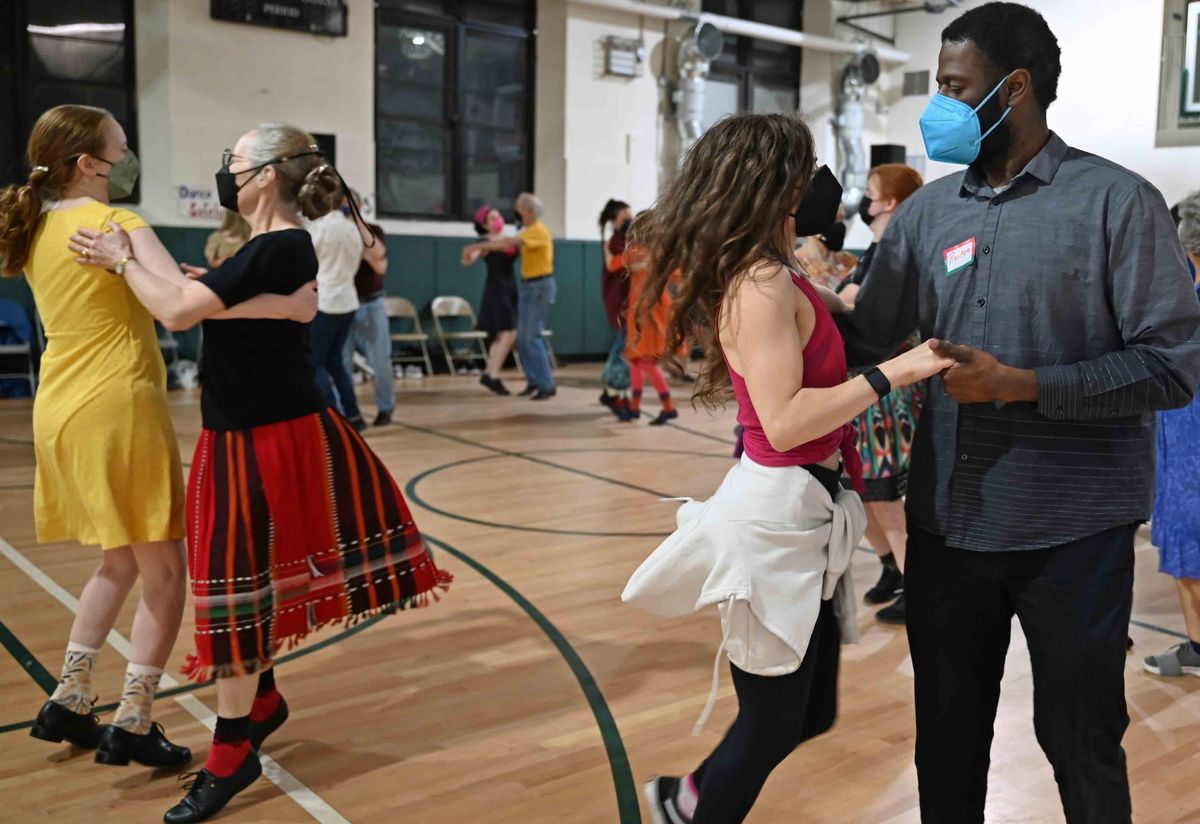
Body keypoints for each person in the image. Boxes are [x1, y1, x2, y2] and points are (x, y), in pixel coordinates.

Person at [835, 5, 1200, 822]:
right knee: (948, 745)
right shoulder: (929, 213)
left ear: (1017, 88)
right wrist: (774, 284)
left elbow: (1173, 368)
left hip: (1075, 534)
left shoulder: (1118, 203)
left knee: (1080, 741)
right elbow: (866, 337)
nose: (939, 106)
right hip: (947, 525)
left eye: (953, 88)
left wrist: (1024, 385)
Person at [71, 123, 452, 824]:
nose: (227, 172)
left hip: (267, 439)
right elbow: (255, 304)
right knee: (246, 585)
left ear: (268, 175)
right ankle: (264, 699)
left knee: (232, 594)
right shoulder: (267, 251)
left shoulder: (282, 243)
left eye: (235, 163)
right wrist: (247, 299)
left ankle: (232, 752)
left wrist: (125, 258)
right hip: (243, 436)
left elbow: (181, 314)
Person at [622, 113, 953, 824]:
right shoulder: (760, 284)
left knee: (809, 713)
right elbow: (786, 420)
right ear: (773, 182)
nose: (818, 184)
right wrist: (897, 372)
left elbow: (854, 315)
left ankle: (686, 798)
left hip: (810, 511)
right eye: (805, 170)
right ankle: (694, 809)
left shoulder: (785, 274)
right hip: (772, 518)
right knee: (774, 719)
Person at [0, 105, 314, 771]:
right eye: (122, 148)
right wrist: (291, 305)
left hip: (58, 403)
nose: (130, 156)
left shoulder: (37, 228)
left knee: (119, 562)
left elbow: (177, 291)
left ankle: (71, 694)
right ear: (90, 164)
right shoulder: (120, 224)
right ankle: (135, 717)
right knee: (166, 572)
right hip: (118, 402)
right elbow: (177, 309)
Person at [836, 163, 925, 625]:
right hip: (867, 383)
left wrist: (843, 294)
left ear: (889, 201)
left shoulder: (901, 247)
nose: (864, 203)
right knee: (863, 488)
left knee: (885, 493)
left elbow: (866, 307)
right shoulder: (879, 246)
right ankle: (891, 565)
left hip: (887, 387)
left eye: (871, 194)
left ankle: (917, 586)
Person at [1144, 189, 1200, 679]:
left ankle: (1198, 649)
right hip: (1181, 437)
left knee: (1190, 547)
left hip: (1189, 446)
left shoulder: (1186, 306)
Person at [465, 192, 556, 400]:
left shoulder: (537, 231)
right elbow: (489, 250)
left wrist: (476, 246)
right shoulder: (525, 232)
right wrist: (476, 249)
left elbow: (507, 243)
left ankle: (546, 384)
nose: (515, 211)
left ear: (529, 211)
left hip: (538, 286)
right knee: (521, 338)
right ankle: (533, 381)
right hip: (522, 287)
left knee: (530, 336)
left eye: (519, 207)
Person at [307, 182, 365, 430]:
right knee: (335, 362)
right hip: (348, 300)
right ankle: (353, 415)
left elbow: (307, 260)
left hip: (326, 300)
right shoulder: (353, 229)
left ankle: (332, 418)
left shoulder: (319, 228)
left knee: (316, 361)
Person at [342, 199, 395, 426]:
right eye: (342, 207)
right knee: (341, 362)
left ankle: (385, 407)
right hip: (342, 305)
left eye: (350, 206)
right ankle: (349, 412)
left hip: (370, 304)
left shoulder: (374, 231)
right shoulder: (335, 232)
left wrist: (358, 226)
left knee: (380, 360)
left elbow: (380, 262)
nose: (346, 211)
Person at [623, 223, 678, 425]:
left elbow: (616, 263)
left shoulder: (649, 253)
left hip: (650, 314)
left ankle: (668, 406)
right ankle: (635, 407)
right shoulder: (654, 254)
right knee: (636, 361)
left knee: (646, 361)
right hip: (640, 313)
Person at [462, 205, 519, 395]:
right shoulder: (484, 243)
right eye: (492, 218)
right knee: (507, 333)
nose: (498, 220)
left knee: (507, 335)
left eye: (499, 215)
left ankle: (491, 373)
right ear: (485, 225)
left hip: (510, 288)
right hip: (497, 290)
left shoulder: (507, 240)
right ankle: (491, 374)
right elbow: (469, 259)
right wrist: (469, 254)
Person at [598, 198, 634, 419]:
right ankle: (612, 391)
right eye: (625, 219)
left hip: (631, 304)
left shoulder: (627, 241)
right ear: (614, 221)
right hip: (622, 305)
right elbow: (617, 265)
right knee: (623, 349)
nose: (630, 222)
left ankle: (617, 392)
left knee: (629, 350)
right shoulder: (616, 243)